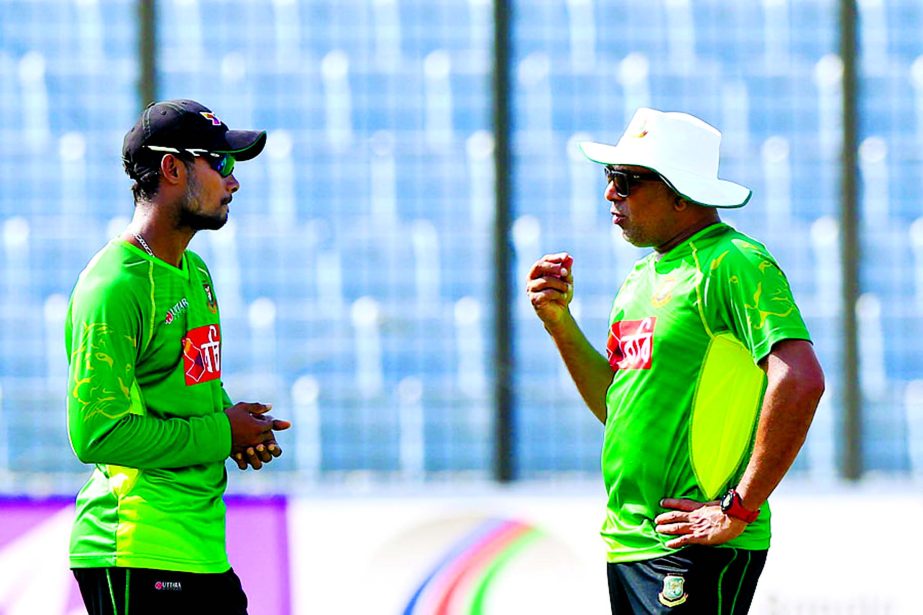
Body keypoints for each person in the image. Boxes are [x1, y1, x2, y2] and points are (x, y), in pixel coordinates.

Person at [526, 108, 825, 614]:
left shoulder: (733, 262)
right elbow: (618, 406)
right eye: (609, 178)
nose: (609, 195)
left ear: (681, 194)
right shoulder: (639, 279)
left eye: (626, 181)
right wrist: (559, 322)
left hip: (695, 544)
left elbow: (801, 379)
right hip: (630, 541)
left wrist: (740, 507)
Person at [66, 99, 291, 615]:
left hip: (202, 551)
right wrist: (221, 432)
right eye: (221, 164)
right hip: (137, 547)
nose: (233, 182)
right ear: (172, 167)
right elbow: (95, 433)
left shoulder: (195, 273)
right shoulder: (115, 284)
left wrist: (239, 426)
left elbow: (185, 388)